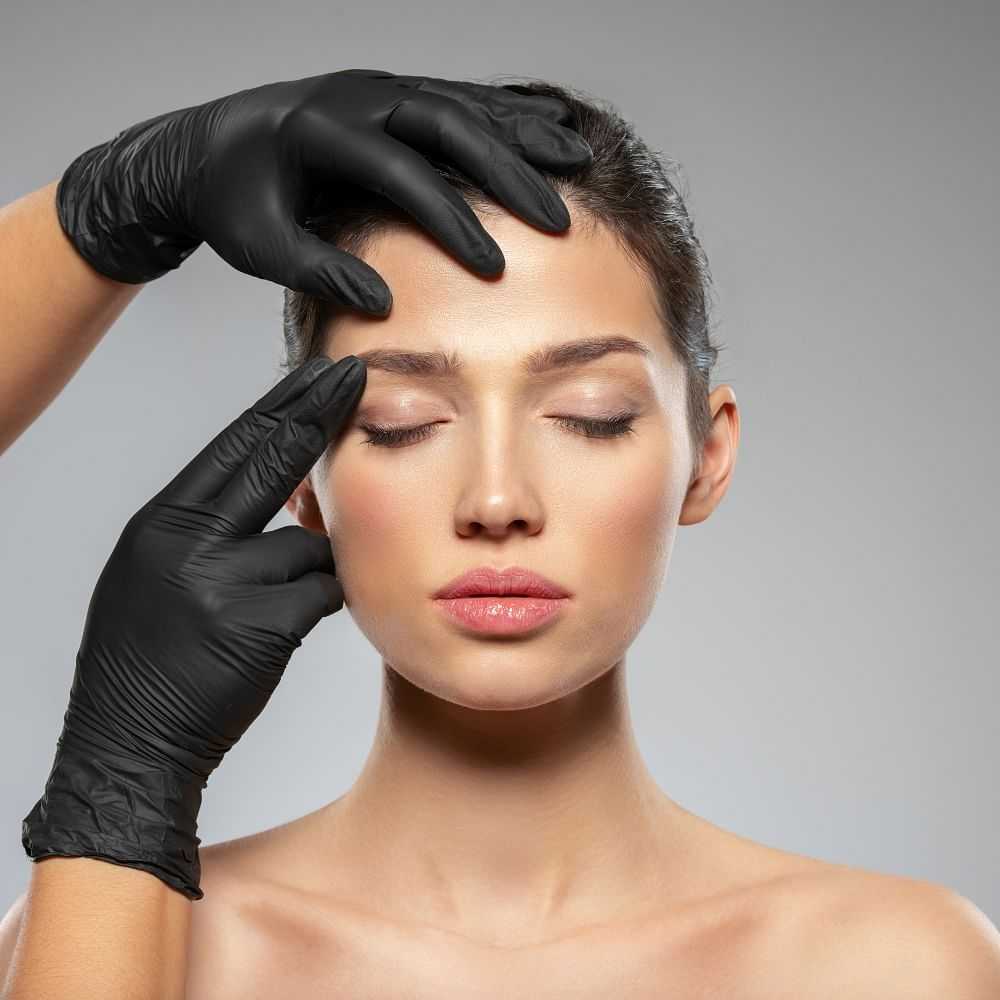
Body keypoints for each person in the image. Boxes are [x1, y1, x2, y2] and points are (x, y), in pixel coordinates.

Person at [1, 71, 998, 1000]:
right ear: (302, 474)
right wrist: (119, 795)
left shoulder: (896, 964)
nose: (494, 497)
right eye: (399, 421)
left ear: (707, 453)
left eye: (592, 412)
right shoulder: (124, 931)